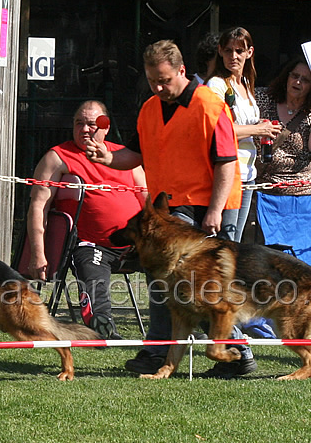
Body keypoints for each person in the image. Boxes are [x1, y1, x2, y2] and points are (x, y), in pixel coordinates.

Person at [87, 40, 257, 379]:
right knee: (177, 284)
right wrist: (108, 157)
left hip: (204, 208)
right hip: (168, 208)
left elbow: (225, 164)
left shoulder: (211, 105)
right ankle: (233, 353)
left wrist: (214, 211)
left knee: (189, 285)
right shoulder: (150, 107)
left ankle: (169, 351)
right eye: (152, 81)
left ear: (181, 71)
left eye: (164, 80)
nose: (159, 88)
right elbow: (135, 154)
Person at [27, 100, 147, 339]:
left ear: (105, 127)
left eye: (92, 124)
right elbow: (38, 206)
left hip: (135, 244)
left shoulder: (126, 157)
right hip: (92, 244)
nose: (84, 129)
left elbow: (148, 201)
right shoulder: (58, 157)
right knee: (90, 261)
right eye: (79, 123)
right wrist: (38, 254)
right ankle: (103, 328)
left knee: (174, 265)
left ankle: (184, 328)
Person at [206, 27, 281, 242]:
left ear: (249, 53)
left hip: (248, 172)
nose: (234, 56)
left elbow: (241, 125)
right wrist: (258, 129)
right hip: (227, 171)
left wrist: (261, 126)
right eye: (228, 50)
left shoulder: (246, 83)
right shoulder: (217, 85)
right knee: (225, 241)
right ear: (220, 51)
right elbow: (216, 132)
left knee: (235, 241)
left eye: (240, 50)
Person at [254, 57, 311, 195]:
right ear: (286, 77)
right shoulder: (260, 98)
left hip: (301, 194)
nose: (298, 82)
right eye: (295, 76)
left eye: (305, 80)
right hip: (261, 192)